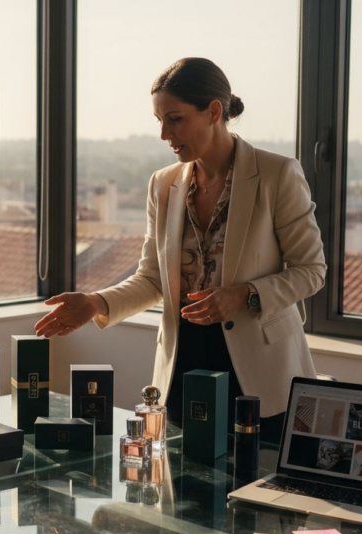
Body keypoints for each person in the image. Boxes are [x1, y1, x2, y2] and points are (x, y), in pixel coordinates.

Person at [35, 58, 326, 440]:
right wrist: (95, 303)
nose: (163, 134)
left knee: (259, 490)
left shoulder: (278, 174)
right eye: (159, 120)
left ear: (214, 112)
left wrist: (244, 295)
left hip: (262, 375)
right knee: (186, 494)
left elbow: (311, 270)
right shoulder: (163, 184)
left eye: (174, 119)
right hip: (182, 366)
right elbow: (153, 277)